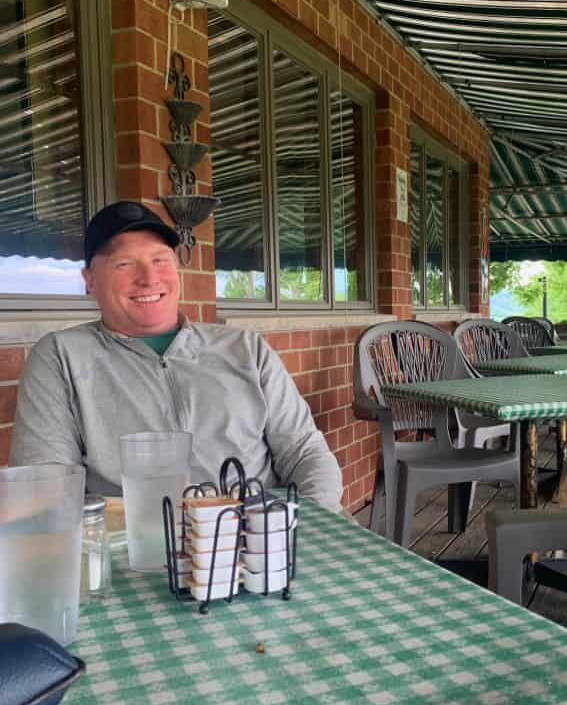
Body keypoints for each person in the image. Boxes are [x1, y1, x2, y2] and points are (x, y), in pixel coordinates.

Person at [10, 201, 343, 511]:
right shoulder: (61, 357)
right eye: (124, 264)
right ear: (90, 281)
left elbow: (304, 452)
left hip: (261, 536)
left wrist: (312, 523)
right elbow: (47, 487)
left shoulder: (246, 349)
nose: (148, 278)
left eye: (160, 260)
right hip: (138, 548)